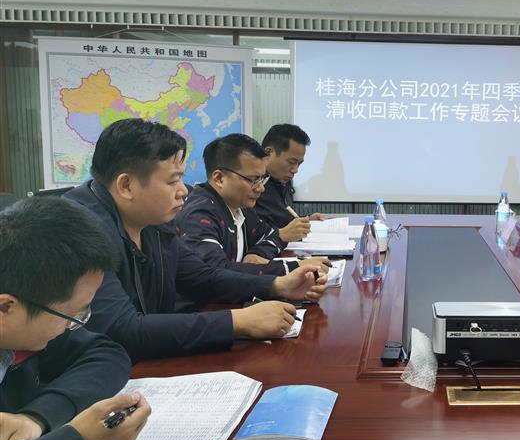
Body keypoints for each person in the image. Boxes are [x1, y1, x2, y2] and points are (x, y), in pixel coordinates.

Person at [66, 119, 327, 363]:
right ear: (126, 186)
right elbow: (122, 330)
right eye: (173, 180)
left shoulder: (154, 220)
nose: (184, 190)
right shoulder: (78, 231)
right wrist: (237, 322)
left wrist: (278, 285)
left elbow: (203, 276)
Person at [0, 197, 151, 440]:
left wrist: (37, 418)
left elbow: (107, 353)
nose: (75, 325)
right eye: (70, 315)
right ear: (6, 307)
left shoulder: (24, 328)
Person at [175, 134, 323, 276]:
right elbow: (216, 272)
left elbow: (272, 235)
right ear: (219, 178)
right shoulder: (200, 215)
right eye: (254, 180)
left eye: (262, 179)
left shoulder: (242, 208)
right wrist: (294, 268)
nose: (261, 188)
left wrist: (256, 253)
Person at [256, 124, 324, 240]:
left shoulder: (283, 180)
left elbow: (282, 219)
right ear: (268, 152)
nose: (295, 170)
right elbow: (253, 235)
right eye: (291, 162)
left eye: (299, 164)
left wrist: (306, 221)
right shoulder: (252, 186)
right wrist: (281, 235)